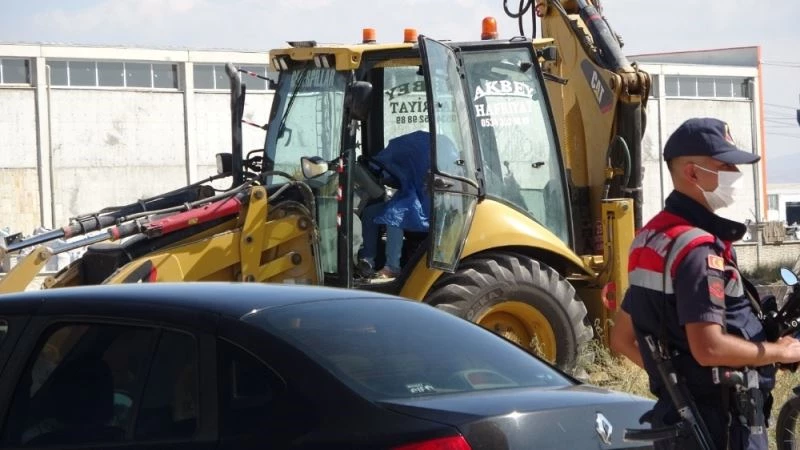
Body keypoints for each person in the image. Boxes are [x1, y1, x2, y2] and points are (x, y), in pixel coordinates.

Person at [610, 117, 800, 450]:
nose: (735, 175)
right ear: (692, 173)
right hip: (724, 428)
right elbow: (708, 347)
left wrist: (678, 386)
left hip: (680, 421)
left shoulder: (650, 239)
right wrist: (776, 351)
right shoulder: (698, 250)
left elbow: (622, 338)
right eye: (725, 165)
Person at [357, 130, 431, 281]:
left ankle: (392, 267)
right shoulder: (410, 161)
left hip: (424, 201)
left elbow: (388, 169)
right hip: (410, 196)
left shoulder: (419, 163)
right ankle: (367, 261)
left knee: (394, 216)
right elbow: (389, 172)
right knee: (371, 212)